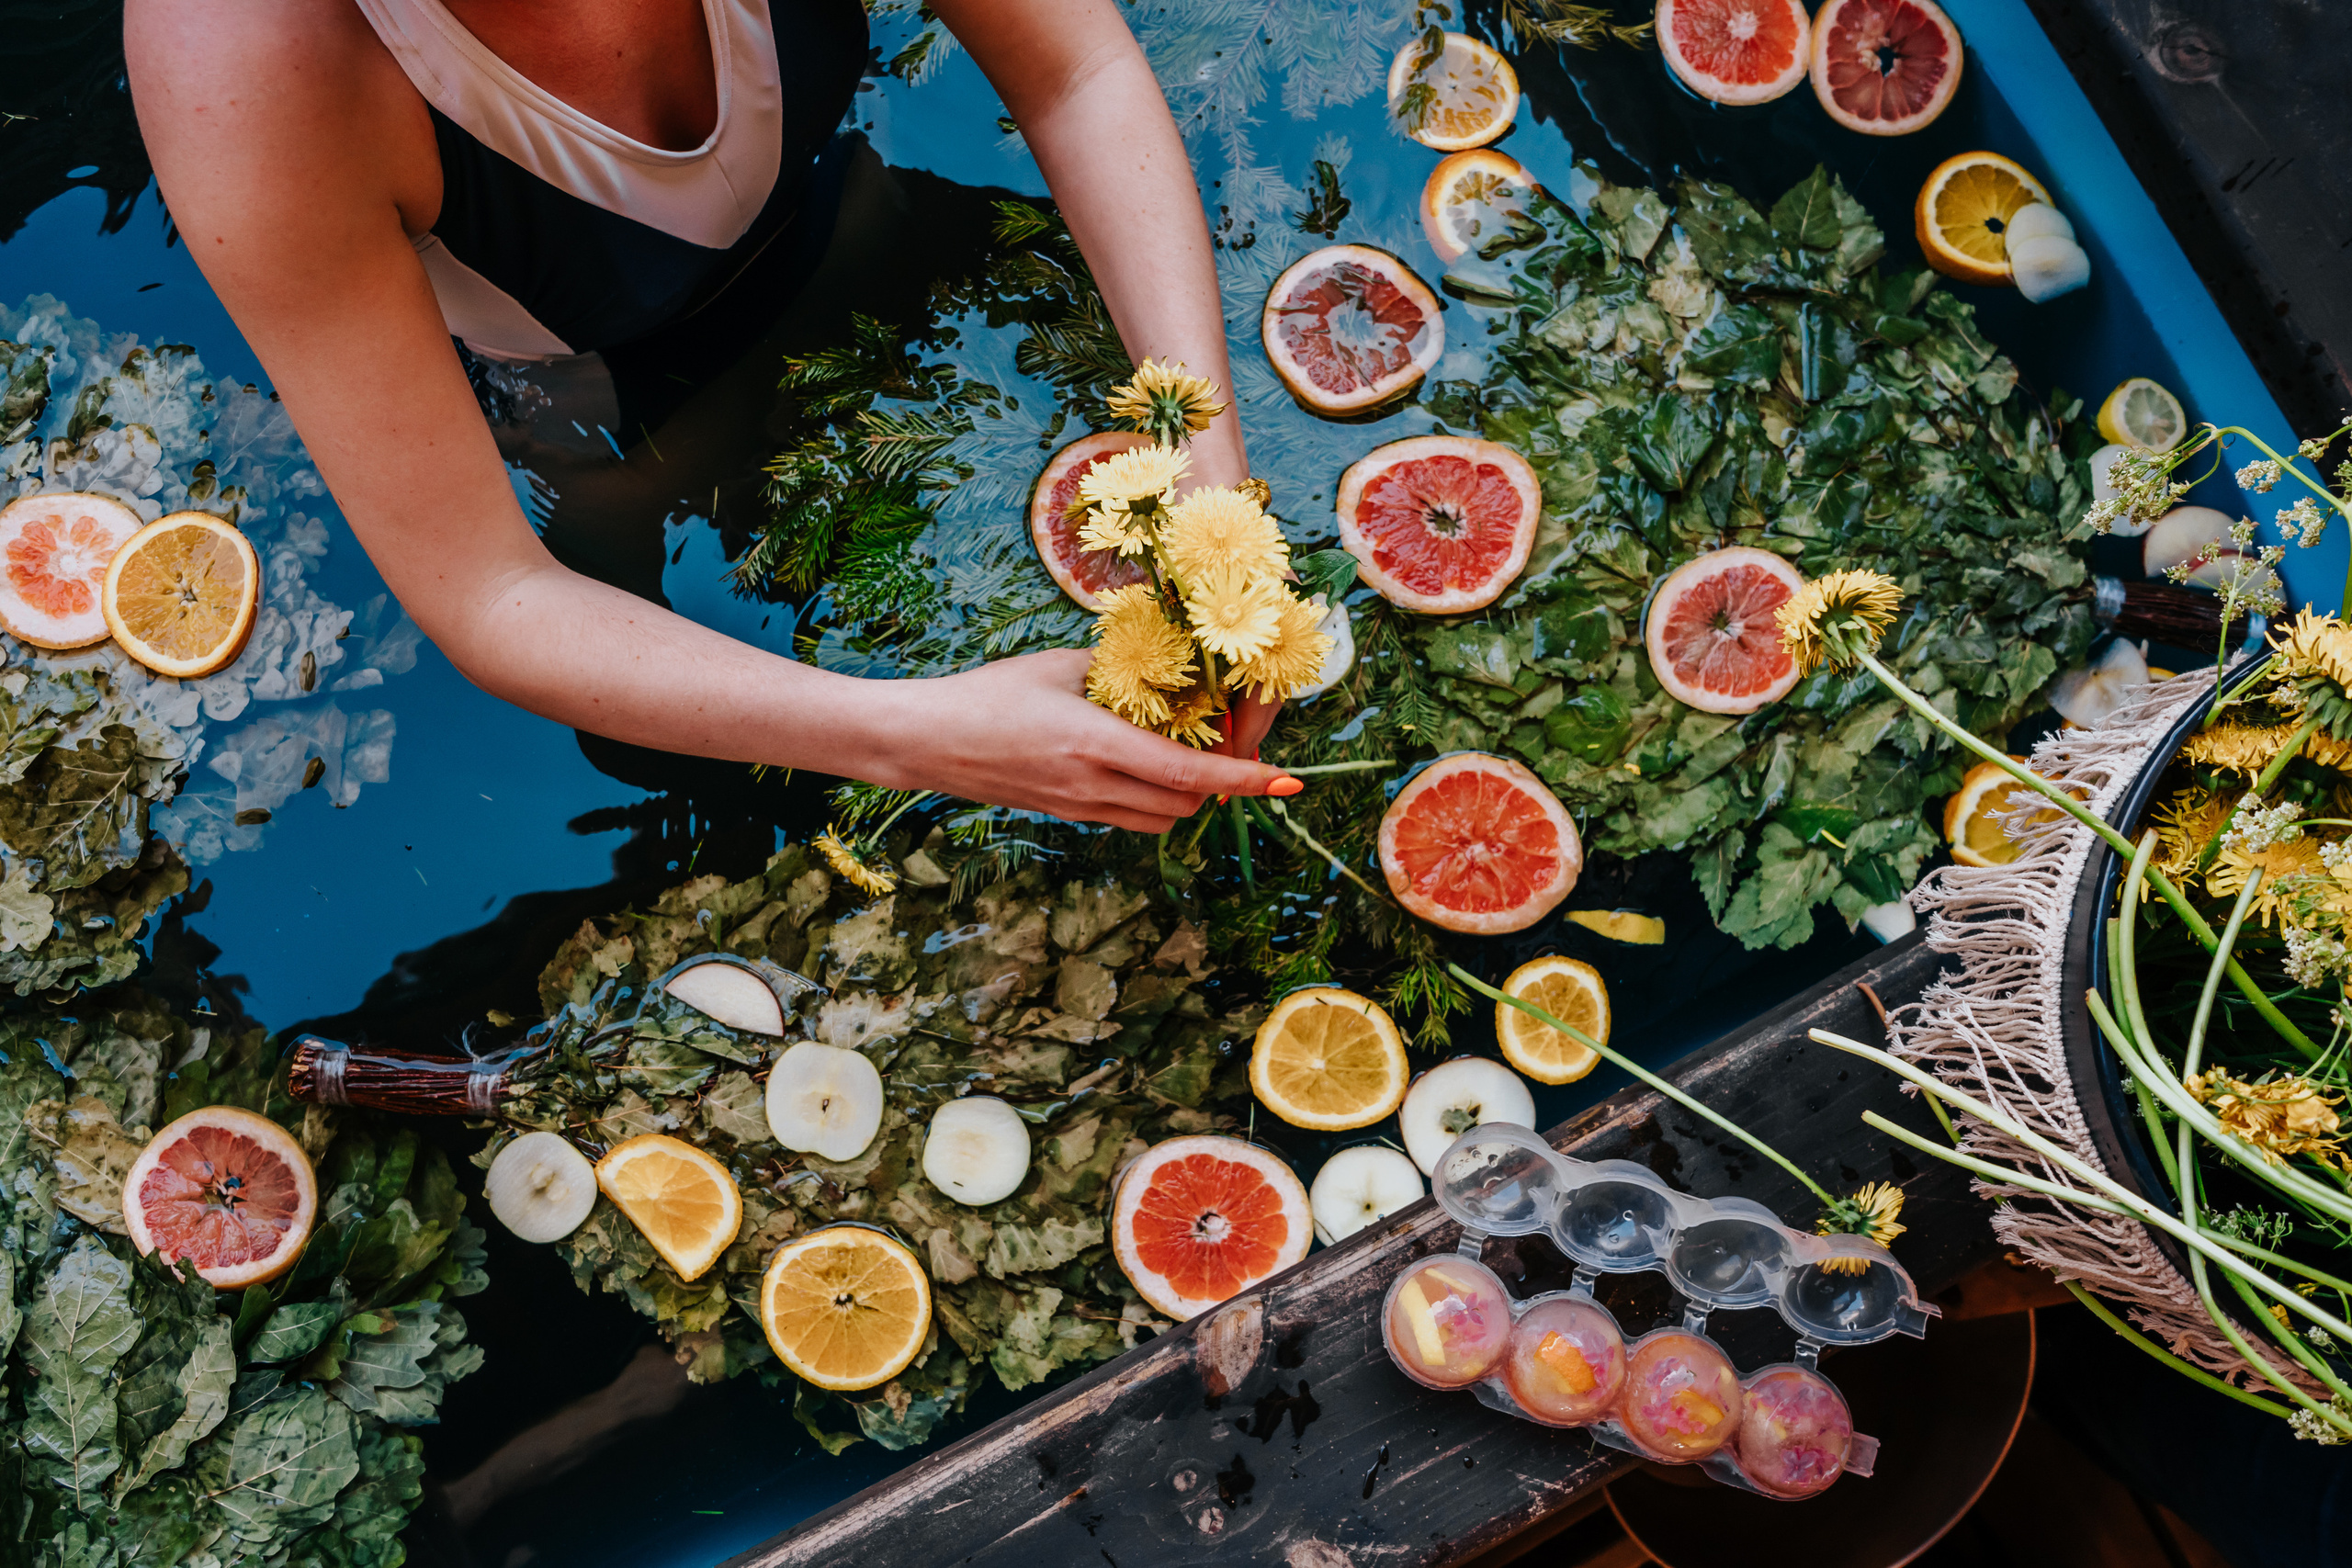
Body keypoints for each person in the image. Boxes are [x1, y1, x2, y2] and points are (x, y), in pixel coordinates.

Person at [122, 0, 1295, 836]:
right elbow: (490, 592)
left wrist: (1210, 485)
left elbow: (1072, 73)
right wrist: (910, 734)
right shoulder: (247, 57)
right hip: (607, 408)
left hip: (857, 209)